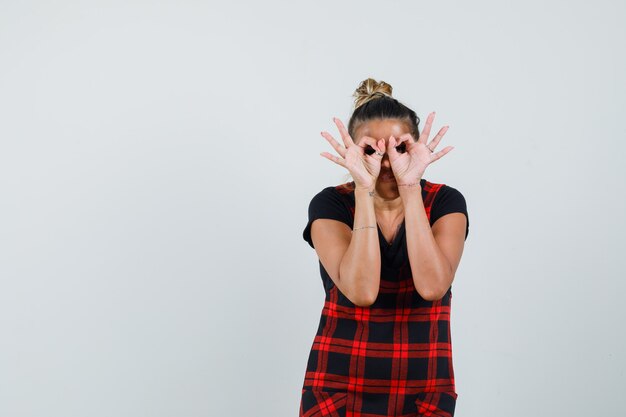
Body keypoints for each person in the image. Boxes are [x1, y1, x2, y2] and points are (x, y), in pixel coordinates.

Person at [298, 78, 469, 417]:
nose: (387, 161)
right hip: (338, 385)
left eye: (399, 149)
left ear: (416, 147)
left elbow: (433, 286)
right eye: (372, 150)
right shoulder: (331, 204)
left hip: (423, 387)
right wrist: (364, 189)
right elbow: (361, 291)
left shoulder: (445, 202)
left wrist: (410, 187)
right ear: (354, 152)